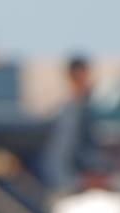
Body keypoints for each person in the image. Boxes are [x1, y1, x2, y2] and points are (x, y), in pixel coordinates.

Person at [41, 55, 105, 196]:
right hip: (70, 185)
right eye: (85, 75)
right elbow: (65, 149)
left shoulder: (81, 108)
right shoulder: (72, 111)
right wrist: (79, 181)